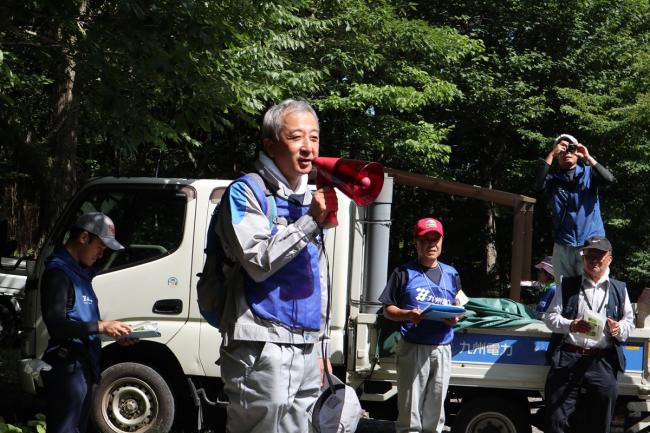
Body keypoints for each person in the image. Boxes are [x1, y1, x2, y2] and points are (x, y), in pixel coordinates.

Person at [213, 99, 338, 433]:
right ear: (269, 144)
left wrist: (322, 346)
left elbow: (317, 278)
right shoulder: (245, 191)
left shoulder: (309, 197)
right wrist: (311, 220)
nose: (308, 148)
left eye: (314, 138)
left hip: (307, 347)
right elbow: (258, 261)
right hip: (261, 342)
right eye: (297, 137)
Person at [40, 212, 134, 433]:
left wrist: (111, 333)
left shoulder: (80, 273)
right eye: (100, 247)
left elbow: (80, 320)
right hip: (66, 369)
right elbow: (56, 325)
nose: (101, 255)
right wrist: (100, 326)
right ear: (84, 238)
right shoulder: (58, 273)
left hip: (83, 367)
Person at [379, 217, 463, 433]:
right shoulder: (403, 272)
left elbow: (460, 305)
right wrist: (407, 314)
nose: (431, 244)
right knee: (410, 410)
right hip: (413, 347)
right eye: (425, 239)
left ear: (442, 241)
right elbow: (388, 309)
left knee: (436, 411)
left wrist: (456, 318)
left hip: (442, 348)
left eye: (435, 239)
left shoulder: (452, 273)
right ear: (416, 241)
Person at [543, 236, 634, 433]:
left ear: (609, 259)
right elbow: (550, 318)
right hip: (569, 356)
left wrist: (619, 329)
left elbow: (629, 322)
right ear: (583, 258)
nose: (593, 260)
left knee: (601, 417)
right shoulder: (567, 286)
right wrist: (571, 325)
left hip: (601, 360)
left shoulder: (619, 289)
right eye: (589, 255)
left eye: (599, 256)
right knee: (557, 419)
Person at [533, 133, 615, 285]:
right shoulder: (553, 179)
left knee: (592, 286)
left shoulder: (589, 173)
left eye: (571, 149)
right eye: (562, 150)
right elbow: (537, 186)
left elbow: (609, 180)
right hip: (563, 243)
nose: (567, 152)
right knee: (563, 289)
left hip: (591, 242)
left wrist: (588, 157)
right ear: (558, 155)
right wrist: (551, 154)